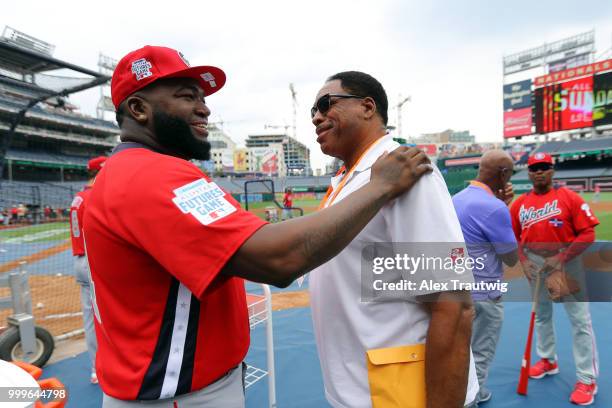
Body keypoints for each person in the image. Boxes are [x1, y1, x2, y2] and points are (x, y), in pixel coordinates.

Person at [83, 46, 432, 407]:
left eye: (202, 98)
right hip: (179, 397)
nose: (205, 108)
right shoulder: (149, 174)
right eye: (188, 97)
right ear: (139, 109)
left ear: (368, 107)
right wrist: (381, 185)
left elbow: (450, 297)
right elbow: (279, 259)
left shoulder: (137, 170)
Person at [308, 71, 478, 408]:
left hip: (402, 394)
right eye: (312, 110)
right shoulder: (350, 179)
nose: (316, 116)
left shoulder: (406, 172)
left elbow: (452, 305)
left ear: (368, 107)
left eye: (326, 104)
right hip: (362, 387)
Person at [510, 152, 600, 406]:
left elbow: (587, 234)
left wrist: (561, 257)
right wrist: (524, 261)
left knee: (579, 321)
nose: (539, 171)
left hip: (566, 265)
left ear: (552, 170)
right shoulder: (519, 205)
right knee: (542, 316)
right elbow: (513, 237)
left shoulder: (569, 198)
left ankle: (586, 378)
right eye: (534, 168)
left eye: (544, 167)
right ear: (528, 173)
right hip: (536, 266)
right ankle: (548, 359)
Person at [452, 150, 519, 405]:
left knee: (460, 352)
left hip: (455, 290)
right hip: (485, 295)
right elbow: (510, 257)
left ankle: (461, 395)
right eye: (510, 173)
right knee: (480, 353)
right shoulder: (495, 208)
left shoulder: (456, 199)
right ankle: (472, 399)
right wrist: (504, 207)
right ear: (503, 174)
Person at [68, 155, 106, 384]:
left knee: (90, 319)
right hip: (94, 261)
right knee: (111, 314)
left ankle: (95, 369)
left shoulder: (79, 198)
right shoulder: (96, 196)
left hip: (79, 260)